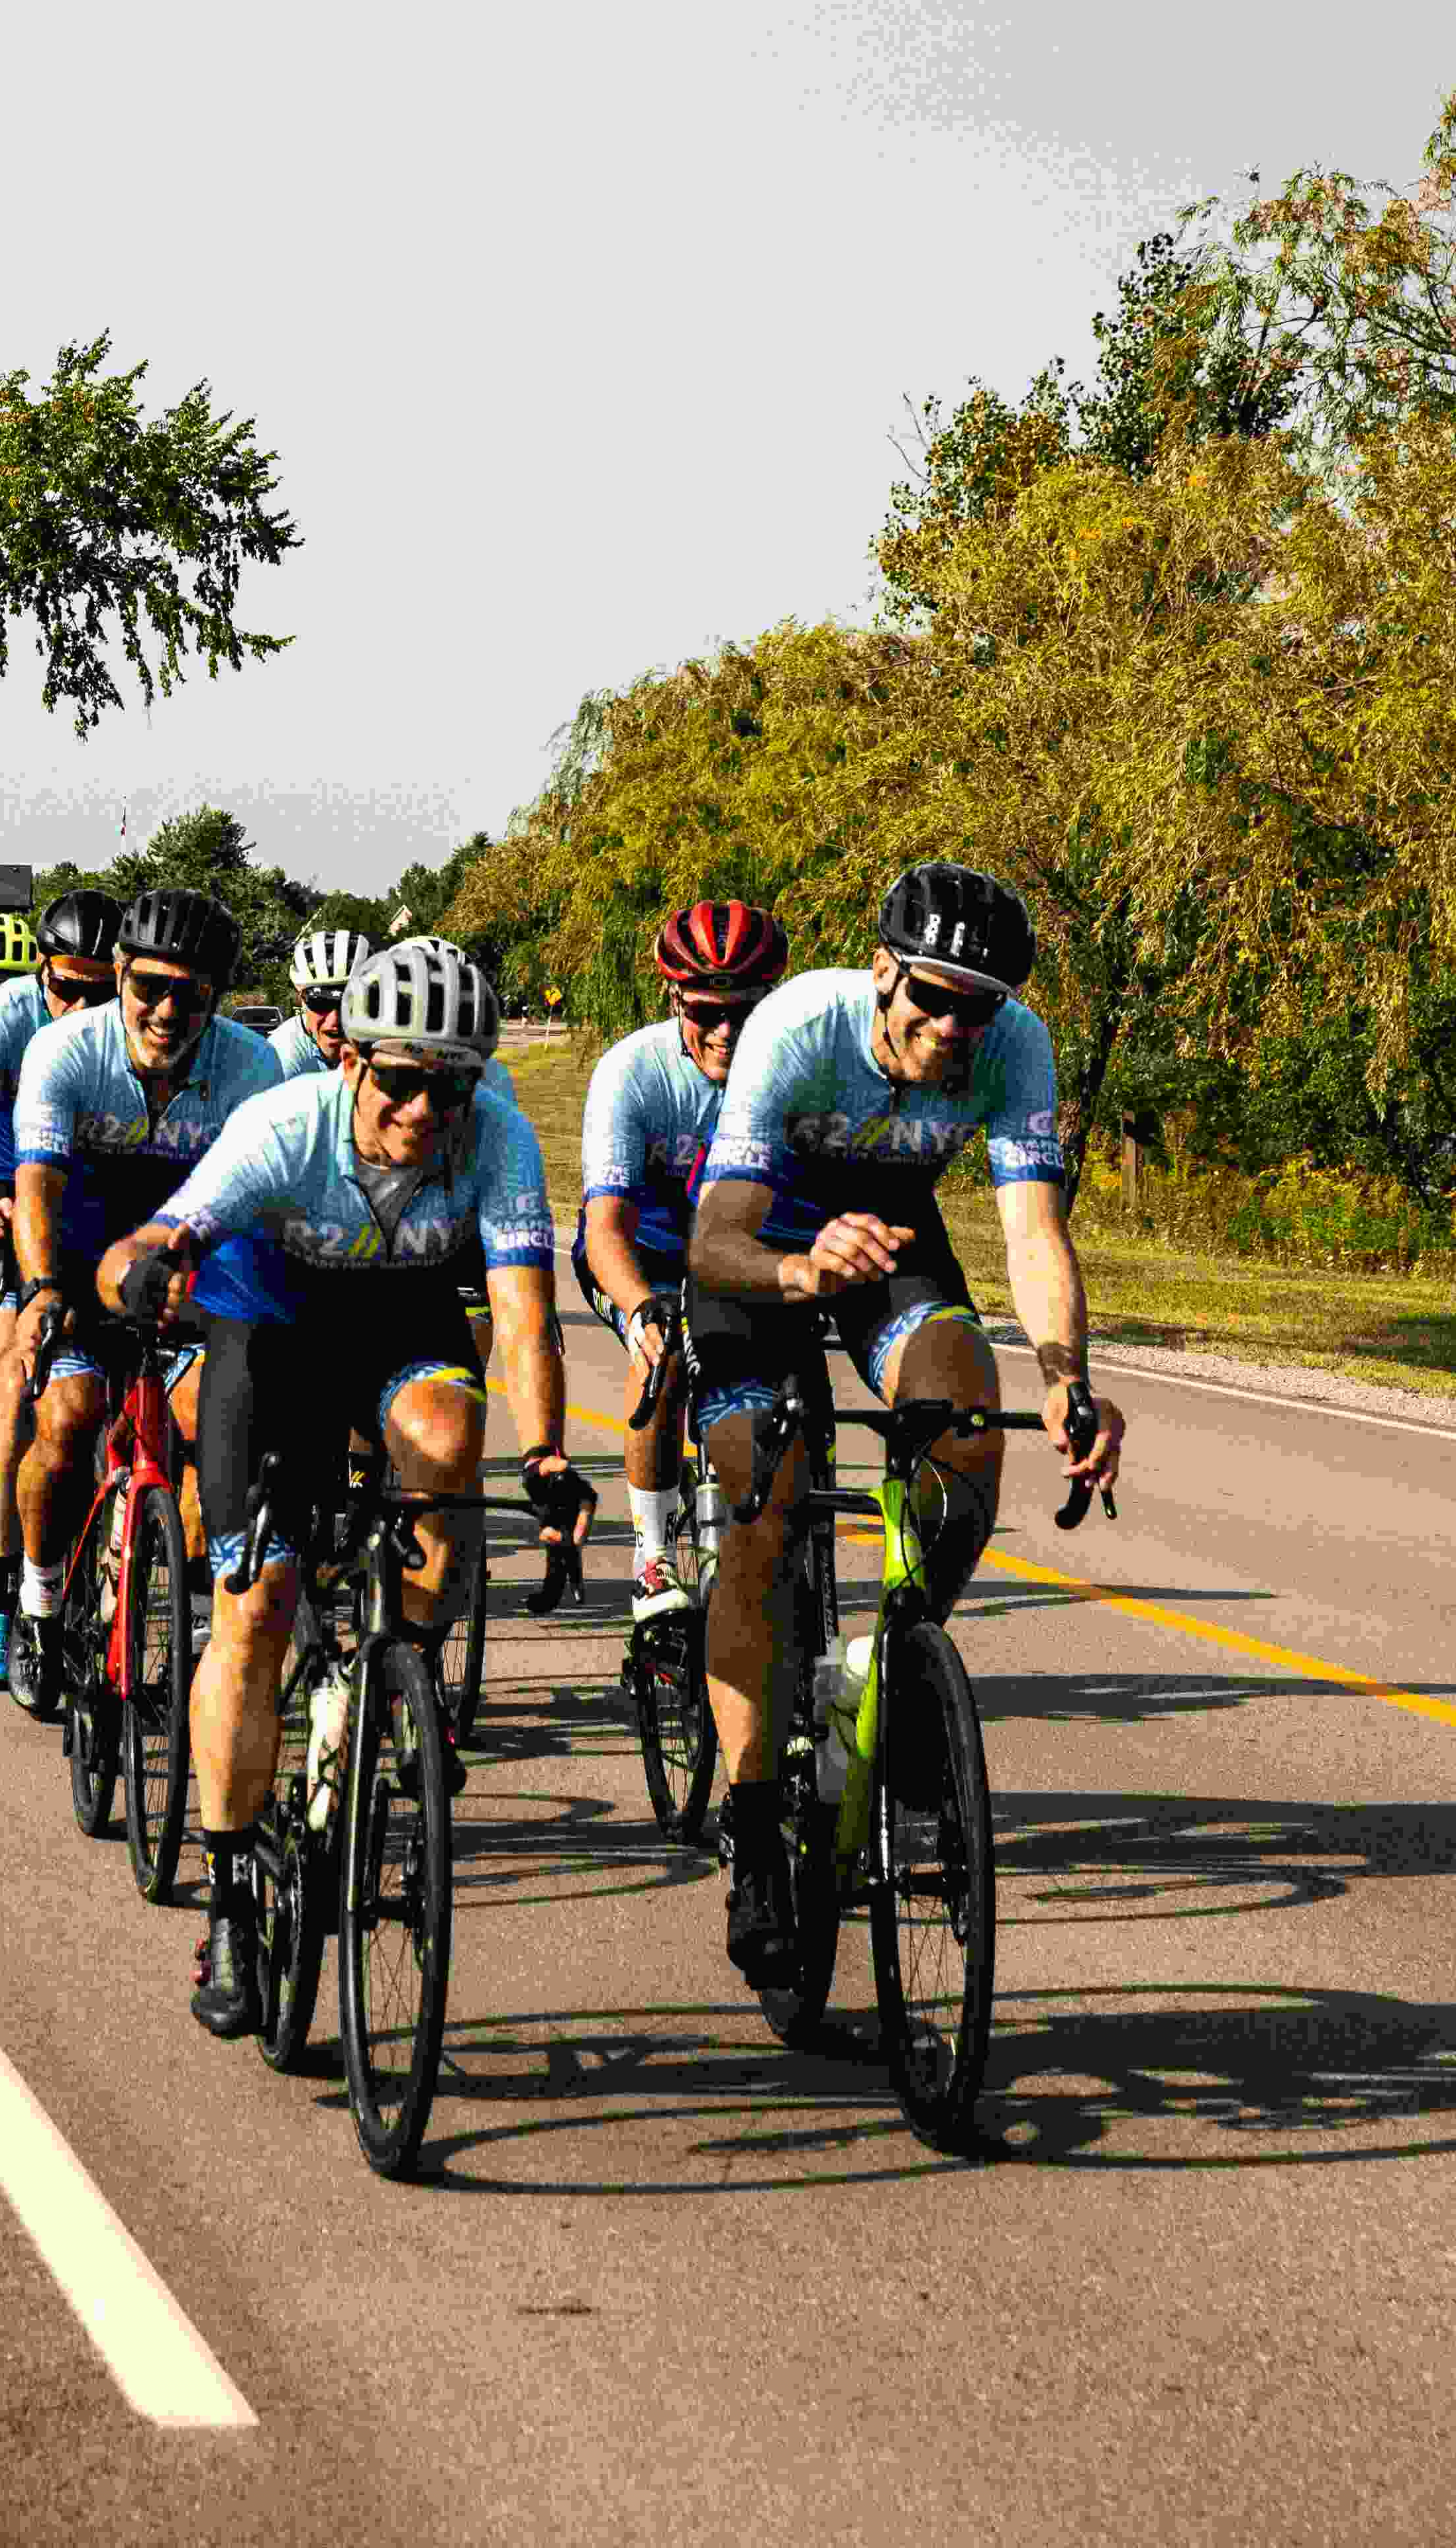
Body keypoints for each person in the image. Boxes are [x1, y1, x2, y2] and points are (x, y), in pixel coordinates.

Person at [99, 935, 590, 2037]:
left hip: (396, 1322)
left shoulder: (498, 1139)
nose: (422, 1109)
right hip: (269, 1332)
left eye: (448, 1084)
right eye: (399, 1079)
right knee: (255, 1612)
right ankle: (227, 1898)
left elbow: (519, 1311)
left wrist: (547, 1453)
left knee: (445, 1428)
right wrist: (141, 1269)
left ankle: (393, 1679)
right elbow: (165, 1230)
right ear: (350, 1062)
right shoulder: (282, 1127)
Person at [685, 861, 1126, 1987]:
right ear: (879, 972)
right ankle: (747, 1829)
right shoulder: (794, 1027)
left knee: (967, 1421)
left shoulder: (1013, 1045)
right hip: (760, 1250)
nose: (948, 1027)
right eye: (927, 998)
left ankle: (894, 1660)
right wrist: (795, 1266)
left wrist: (1064, 1377)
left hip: (888, 1230)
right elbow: (711, 1238)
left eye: (972, 1008)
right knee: (756, 1506)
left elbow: (1031, 1231)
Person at [1, 888, 280, 1715]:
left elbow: (257, 1209)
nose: (165, 1010)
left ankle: (192, 1625)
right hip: (81, 1263)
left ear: (216, 998)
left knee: (213, 1425)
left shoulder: (250, 1067)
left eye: (190, 993)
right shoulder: (62, 1051)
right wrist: (45, 1289)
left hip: (190, 1272)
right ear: (118, 974)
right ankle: (39, 1602)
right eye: (148, 986)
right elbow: (37, 1187)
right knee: (66, 1418)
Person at [576, 898, 790, 1624]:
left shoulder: (797, 1070)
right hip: (647, 1257)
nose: (726, 1031)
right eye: (706, 1012)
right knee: (659, 1364)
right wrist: (640, 1307)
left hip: (745, 1258)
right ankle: (652, 1552)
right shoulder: (632, 1072)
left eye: (746, 1012)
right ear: (675, 1001)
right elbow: (604, 1224)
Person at [0, 887, 123, 1687]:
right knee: (14, 1375)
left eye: (98, 991)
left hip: (95, 1206)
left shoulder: (140, 1029)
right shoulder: (2, 1018)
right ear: (40, 972)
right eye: (64, 988)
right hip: (7, 1202)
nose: (79, 1005)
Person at [264, 922, 369, 1085]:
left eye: (349, 1003)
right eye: (320, 1002)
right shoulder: (283, 1063)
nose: (334, 1020)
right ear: (302, 1001)